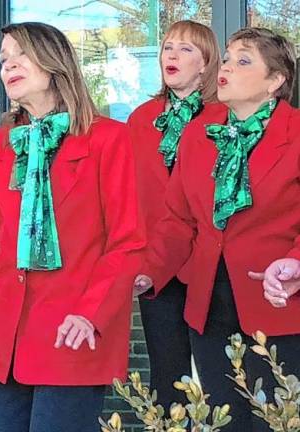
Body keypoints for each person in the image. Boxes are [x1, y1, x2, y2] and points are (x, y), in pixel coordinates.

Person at [0, 22, 144, 432]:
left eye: (20, 54)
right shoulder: (2, 144)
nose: (8, 65)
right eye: (2, 59)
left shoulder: (108, 139)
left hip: (70, 331)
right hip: (8, 338)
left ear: (54, 64)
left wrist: (90, 314)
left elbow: (127, 243)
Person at [134, 27, 300, 431]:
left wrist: (296, 262)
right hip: (209, 307)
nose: (227, 65)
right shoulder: (199, 134)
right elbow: (178, 220)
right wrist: (147, 272)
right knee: (225, 421)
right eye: (227, 57)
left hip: (278, 302)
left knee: (277, 421)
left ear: (275, 81)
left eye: (244, 60)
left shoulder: (295, 134)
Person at [126, 20, 224, 408]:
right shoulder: (141, 118)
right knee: (167, 376)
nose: (172, 55)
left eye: (186, 49)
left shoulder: (223, 118)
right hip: (158, 266)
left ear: (206, 64)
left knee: (220, 375)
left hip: (210, 264)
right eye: (168, 47)